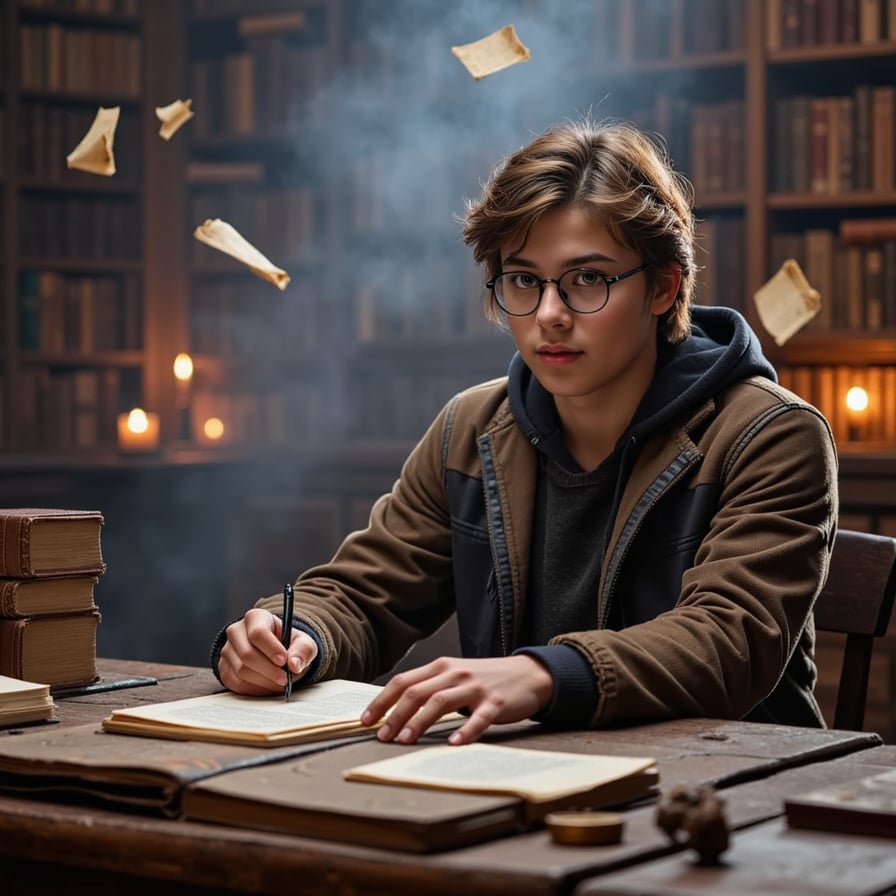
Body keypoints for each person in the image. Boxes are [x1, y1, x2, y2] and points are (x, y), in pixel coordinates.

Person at [212, 116, 838, 746]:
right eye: (523, 280)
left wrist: (543, 674)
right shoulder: (469, 428)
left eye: (588, 279)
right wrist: (294, 637)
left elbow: (728, 641)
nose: (549, 314)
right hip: (527, 771)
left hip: (728, 779)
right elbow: (366, 595)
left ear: (662, 286)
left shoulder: (770, 434)